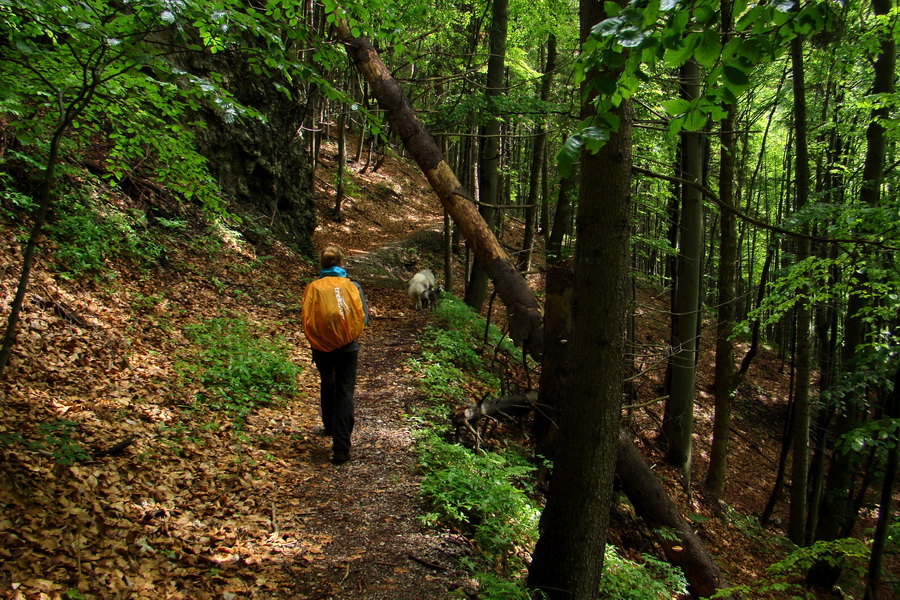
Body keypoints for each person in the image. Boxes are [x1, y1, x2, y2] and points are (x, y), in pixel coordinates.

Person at [305, 245, 368, 465]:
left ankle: (329, 427)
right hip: (348, 347)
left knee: (327, 381)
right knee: (344, 391)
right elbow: (364, 318)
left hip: (321, 347)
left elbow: (308, 318)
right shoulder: (352, 286)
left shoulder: (313, 288)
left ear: (322, 265)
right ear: (341, 263)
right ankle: (341, 448)